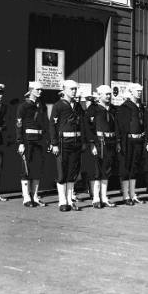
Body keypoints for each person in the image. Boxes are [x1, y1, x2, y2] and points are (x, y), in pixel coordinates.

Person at [49, 79, 86, 212]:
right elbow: (52, 125)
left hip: (76, 143)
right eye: (71, 89)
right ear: (64, 90)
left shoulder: (77, 106)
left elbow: (82, 123)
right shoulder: (58, 106)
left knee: (72, 172)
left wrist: (83, 142)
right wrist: (54, 143)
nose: (74, 91)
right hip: (63, 143)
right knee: (62, 172)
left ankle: (70, 200)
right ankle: (62, 201)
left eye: (75, 89)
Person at [16, 81, 48, 207]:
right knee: (26, 169)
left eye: (41, 90)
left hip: (39, 141)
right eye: (38, 89)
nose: (40, 92)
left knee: (37, 169)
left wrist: (48, 140)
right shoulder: (23, 106)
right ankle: (26, 197)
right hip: (27, 141)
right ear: (31, 91)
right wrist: (20, 142)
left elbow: (45, 123)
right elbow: (19, 125)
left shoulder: (42, 106)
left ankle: (35, 196)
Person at [85, 84, 118, 209]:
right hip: (99, 143)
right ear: (99, 95)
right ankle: (96, 198)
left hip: (111, 142)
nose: (109, 96)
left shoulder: (113, 109)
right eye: (106, 94)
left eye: (110, 94)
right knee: (97, 171)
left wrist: (118, 142)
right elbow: (88, 128)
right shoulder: (93, 109)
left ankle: (104, 197)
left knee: (107, 171)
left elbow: (117, 127)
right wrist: (92, 143)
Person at [116, 83, 146, 205]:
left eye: (140, 91)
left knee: (134, 167)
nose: (139, 93)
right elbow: (120, 127)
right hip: (127, 141)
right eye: (137, 91)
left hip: (138, 141)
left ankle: (133, 194)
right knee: (126, 168)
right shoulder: (125, 107)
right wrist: (119, 142)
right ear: (131, 92)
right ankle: (125, 195)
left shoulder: (141, 107)